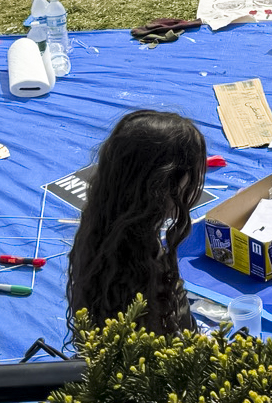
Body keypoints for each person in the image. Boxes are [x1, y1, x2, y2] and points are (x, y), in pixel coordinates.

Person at [65, 109, 211, 337]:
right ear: (161, 184)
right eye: (193, 173)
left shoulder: (100, 226)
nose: (198, 181)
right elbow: (172, 351)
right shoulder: (144, 262)